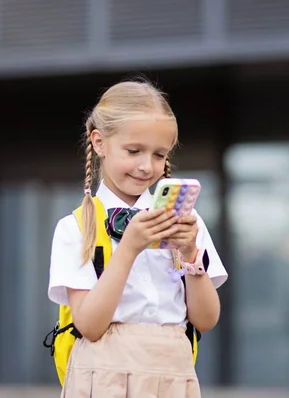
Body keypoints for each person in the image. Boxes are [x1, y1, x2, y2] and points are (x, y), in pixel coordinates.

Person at [47, 79, 228, 397]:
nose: (147, 166)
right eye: (134, 151)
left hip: (173, 372)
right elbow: (89, 325)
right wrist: (129, 248)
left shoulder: (185, 221)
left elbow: (206, 319)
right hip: (103, 379)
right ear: (99, 143)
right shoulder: (76, 227)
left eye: (160, 155)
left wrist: (190, 254)